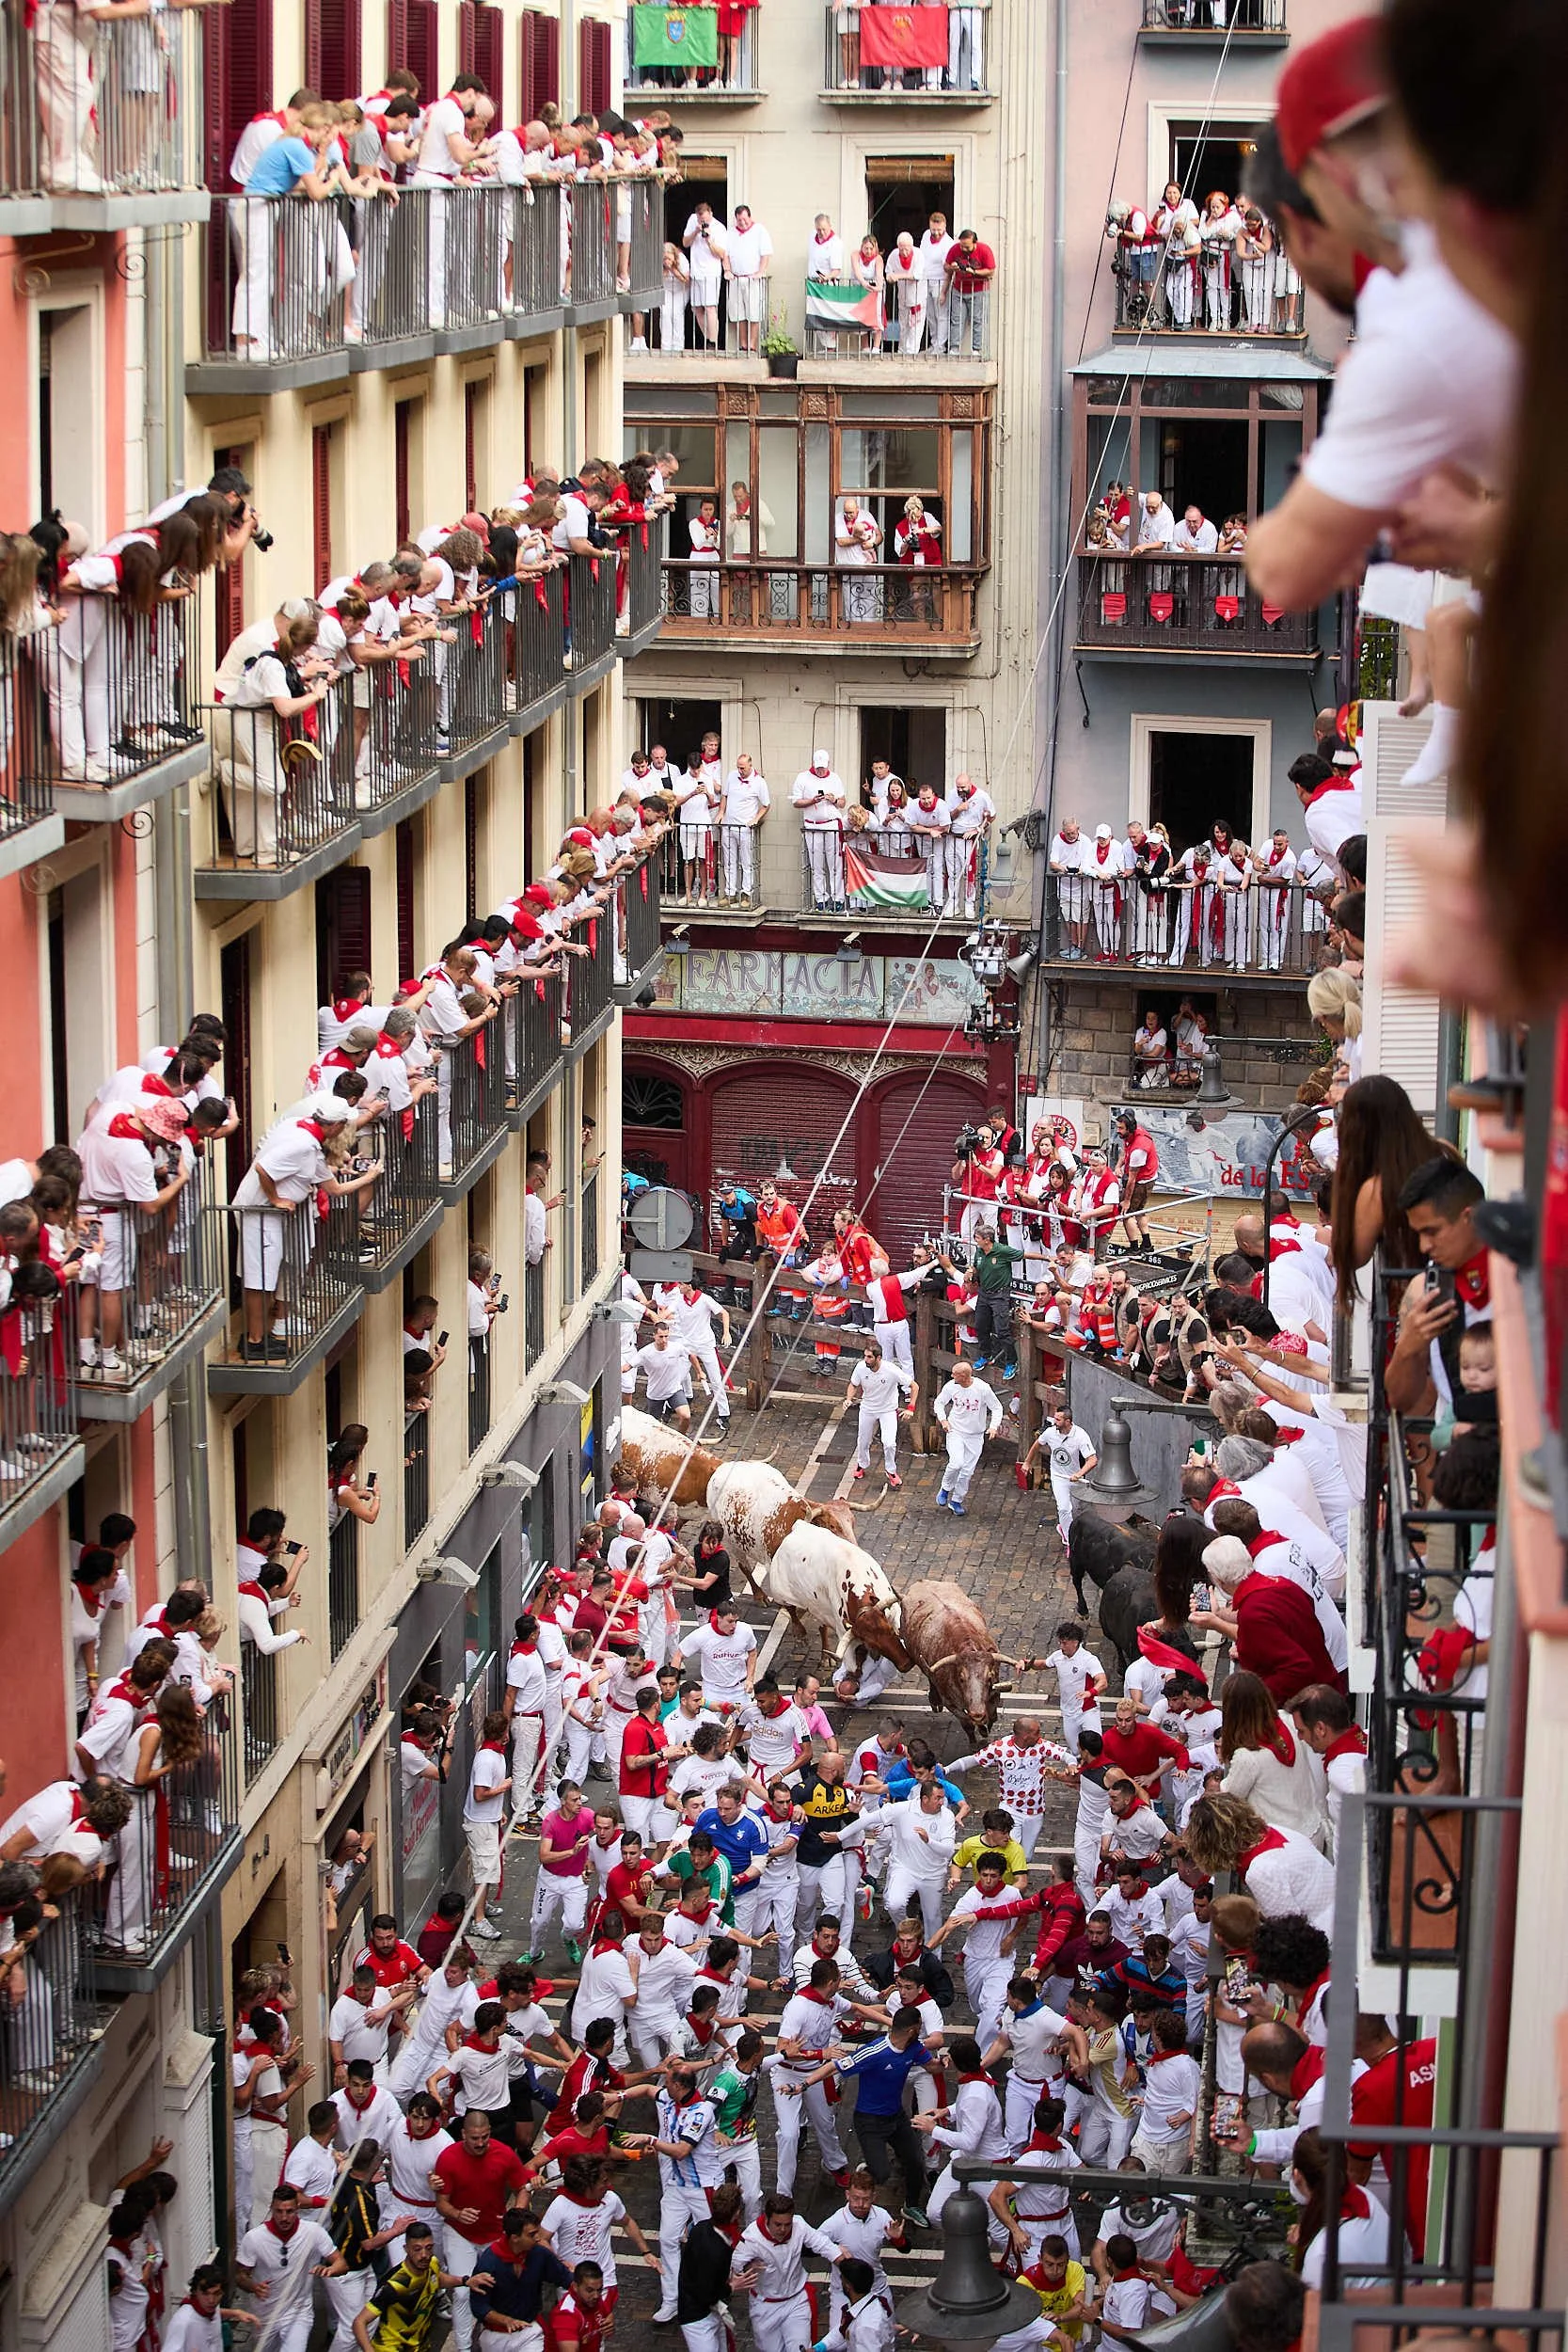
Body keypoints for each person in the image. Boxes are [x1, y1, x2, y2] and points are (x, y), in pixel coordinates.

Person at [933, 1358, 1004, 1515]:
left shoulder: (982, 1389)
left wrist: (993, 1427)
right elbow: (939, 1403)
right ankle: (945, 1489)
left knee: (967, 1471)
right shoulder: (951, 1387)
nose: (952, 1377)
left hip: (975, 1435)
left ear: (964, 1376)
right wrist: (943, 1420)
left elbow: (997, 1408)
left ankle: (956, 1500)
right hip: (955, 1430)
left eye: (955, 1374)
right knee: (956, 1463)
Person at [847, 1339, 916, 1487]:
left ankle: (891, 1471)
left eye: (870, 1357)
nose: (866, 1360)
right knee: (863, 1441)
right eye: (865, 1356)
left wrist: (910, 1408)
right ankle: (861, 1464)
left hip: (888, 1410)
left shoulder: (891, 1369)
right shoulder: (860, 1367)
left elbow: (914, 1386)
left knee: (889, 1443)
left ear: (878, 1358)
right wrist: (848, 1398)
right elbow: (853, 1384)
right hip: (867, 1408)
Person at [792, 749, 848, 910]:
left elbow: (843, 802)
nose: (821, 771)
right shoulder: (803, 777)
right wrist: (811, 801)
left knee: (835, 863)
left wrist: (835, 799)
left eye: (823, 768)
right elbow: (796, 802)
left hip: (831, 823)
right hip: (813, 825)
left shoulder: (835, 778)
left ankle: (838, 899)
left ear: (828, 764)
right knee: (817, 864)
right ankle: (821, 899)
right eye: (818, 768)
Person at [718, 752, 769, 905]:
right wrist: (721, 812)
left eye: (743, 768)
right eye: (739, 767)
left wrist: (756, 819)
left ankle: (747, 893)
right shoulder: (732, 776)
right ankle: (730, 893)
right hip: (728, 824)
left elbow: (766, 805)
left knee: (746, 862)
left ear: (750, 766)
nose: (740, 771)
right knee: (729, 861)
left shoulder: (759, 782)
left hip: (745, 827)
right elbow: (725, 795)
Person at [725, 204, 772, 356]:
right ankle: (743, 344)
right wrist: (727, 270)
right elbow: (725, 255)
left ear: (750, 217)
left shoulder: (759, 230)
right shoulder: (731, 232)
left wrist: (760, 272)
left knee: (754, 313)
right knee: (738, 313)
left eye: (745, 219)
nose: (743, 223)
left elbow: (766, 254)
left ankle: (752, 345)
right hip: (736, 278)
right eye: (739, 220)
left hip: (753, 278)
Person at [942, 229, 995, 355]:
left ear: (974, 242)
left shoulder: (984, 250)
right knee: (956, 319)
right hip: (958, 288)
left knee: (977, 319)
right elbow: (946, 266)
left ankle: (976, 349)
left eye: (967, 247)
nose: (963, 249)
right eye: (962, 245)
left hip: (978, 289)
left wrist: (974, 272)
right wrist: (952, 267)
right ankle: (954, 348)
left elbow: (991, 271)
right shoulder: (955, 249)